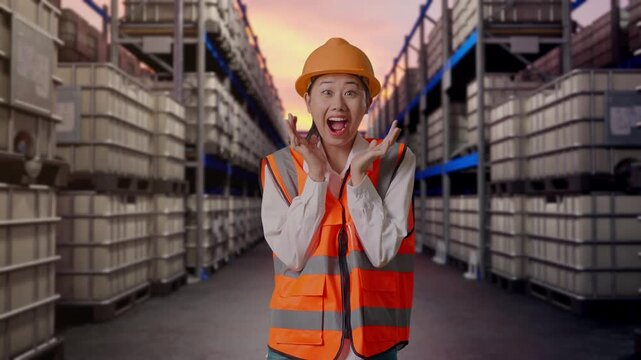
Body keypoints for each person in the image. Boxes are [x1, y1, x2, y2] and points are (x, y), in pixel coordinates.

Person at [260, 37, 416, 360]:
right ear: (307, 100)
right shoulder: (280, 168)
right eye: (327, 92)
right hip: (296, 348)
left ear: (368, 101)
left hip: (372, 346)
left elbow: (383, 250)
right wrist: (316, 179)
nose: (338, 105)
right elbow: (292, 253)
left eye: (350, 92)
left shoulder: (396, 160)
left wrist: (360, 181)